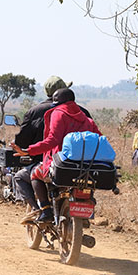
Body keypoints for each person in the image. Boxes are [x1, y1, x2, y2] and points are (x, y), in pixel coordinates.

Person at [12, 88, 101, 222]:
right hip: (84, 166)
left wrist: (29, 151)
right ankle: (83, 215)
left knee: (35, 173)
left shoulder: (58, 114)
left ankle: (45, 210)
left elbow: (52, 140)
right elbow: (99, 140)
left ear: (58, 102)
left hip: (62, 165)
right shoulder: (87, 119)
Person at [12, 75, 70, 212]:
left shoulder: (36, 112)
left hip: (46, 162)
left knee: (20, 176)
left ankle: (40, 210)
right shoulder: (80, 111)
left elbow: (27, 141)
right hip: (78, 164)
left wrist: (27, 150)